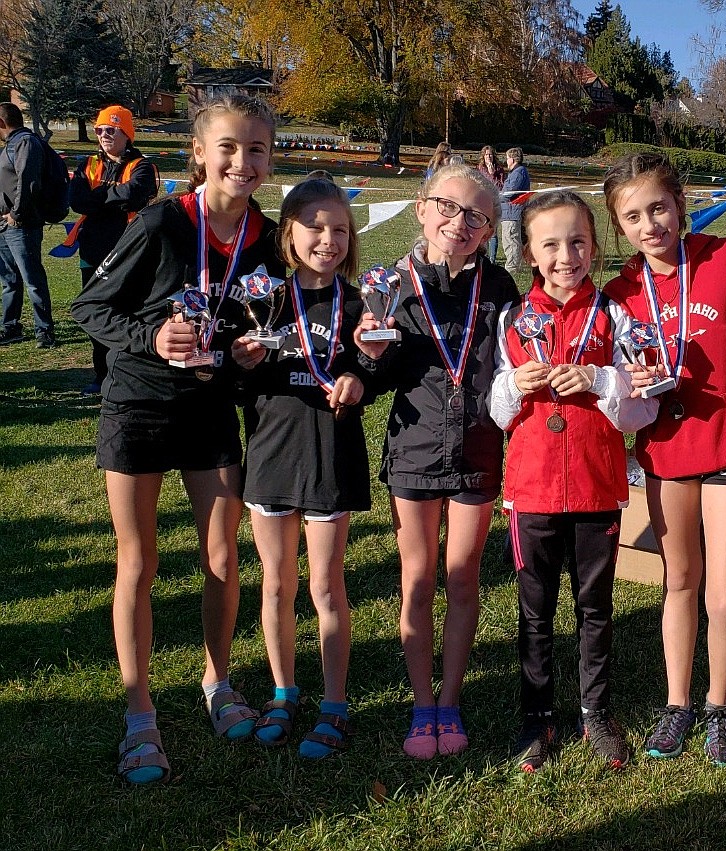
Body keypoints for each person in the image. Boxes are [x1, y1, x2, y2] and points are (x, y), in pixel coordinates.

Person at [71, 95, 283, 785]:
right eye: (227, 147)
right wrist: (151, 336)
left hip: (210, 407)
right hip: (136, 402)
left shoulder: (267, 238)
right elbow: (90, 307)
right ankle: (139, 714)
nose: (241, 161)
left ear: (268, 158)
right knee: (139, 560)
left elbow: (260, 325)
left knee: (223, 556)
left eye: (255, 149)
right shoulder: (163, 220)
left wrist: (252, 354)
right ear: (198, 153)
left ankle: (217, 682)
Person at [604, 152, 726, 766]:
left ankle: (720, 705)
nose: (652, 225)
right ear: (620, 226)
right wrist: (630, 377)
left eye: (660, 208)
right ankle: (678, 704)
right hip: (667, 452)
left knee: (725, 596)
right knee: (680, 583)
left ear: (681, 204)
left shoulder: (725, 259)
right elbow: (611, 373)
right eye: (634, 216)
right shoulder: (621, 291)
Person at [489, 190, 657, 772]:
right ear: (530, 252)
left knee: (595, 606)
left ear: (596, 245)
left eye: (578, 241)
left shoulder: (615, 314)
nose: (566, 256)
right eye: (551, 244)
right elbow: (496, 408)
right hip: (531, 489)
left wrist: (600, 378)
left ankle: (595, 712)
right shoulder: (513, 317)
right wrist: (517, 386)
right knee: (534, 611)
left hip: (596, 484)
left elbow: (643, 406)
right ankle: (535, 717)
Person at [233, 176, 388, 758]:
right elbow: (237, 380)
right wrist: (241, 361)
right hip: (272, 455)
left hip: (330, 458)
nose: (329, 239)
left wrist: (360, 378)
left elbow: (377, 364)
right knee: (276, 584)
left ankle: (334, 704)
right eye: (315, 227)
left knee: (325, 585)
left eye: (341, 230)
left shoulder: (360, 301)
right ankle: (282, 692)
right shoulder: (263, 297)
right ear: (288, 233)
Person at [376, 163, 518, 759]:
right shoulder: (391, 285)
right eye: (447, 207)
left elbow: (515, 365)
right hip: (413, 451)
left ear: (488, 229)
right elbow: (373, 374)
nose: (458, 223)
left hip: (477, 451)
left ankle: (450, 699)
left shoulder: (502, 288)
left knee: (463, 579)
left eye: (476, 215)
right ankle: (420, 703)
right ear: (421, 208)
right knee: (418, 577)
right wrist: (365, 355)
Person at [69, 105, 158, 393]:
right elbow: (78, 201)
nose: (104, 135)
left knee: (127, 312)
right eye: (99, 130)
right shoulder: (87, 164)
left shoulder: (142, 165)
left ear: (126, 133)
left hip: (128, 252)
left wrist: (99, 197)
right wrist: (111, 197)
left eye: (111, 129)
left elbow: (134, 194)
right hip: (92, 252)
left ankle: (128, 371)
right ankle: (101, 374)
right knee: (96, 313)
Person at [0, 102, 56, 347]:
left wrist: (17, 213)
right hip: (4, 226)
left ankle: (44, 330)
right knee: (9, 280)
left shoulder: (25, 143)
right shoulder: (9, 146)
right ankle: (10, 326)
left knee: (32, 279)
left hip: (21, 225)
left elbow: (28, 180)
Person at [500, 147, 531, 272]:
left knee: (511, 239)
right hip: (508, 212)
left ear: (512, 159)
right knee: (509, 239)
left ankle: (512, 267)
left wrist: (497, 197)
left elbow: (509, 192)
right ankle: (513, 264)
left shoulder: (519, 172)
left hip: (513, 212)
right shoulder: (515, 172)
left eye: (507, 158)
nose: (506, 161)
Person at [477, 145, 505, 262]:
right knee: (483, 229)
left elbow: (500, 186)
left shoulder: (499, 169)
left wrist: (493, 174)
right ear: (483, 156)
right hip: (482, 202)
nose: (489, 157)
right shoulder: (480, 168)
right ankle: (484, 256)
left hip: (495, 202)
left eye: (490, 154)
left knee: (493, 231)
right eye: (486, 154)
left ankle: (492, 258)